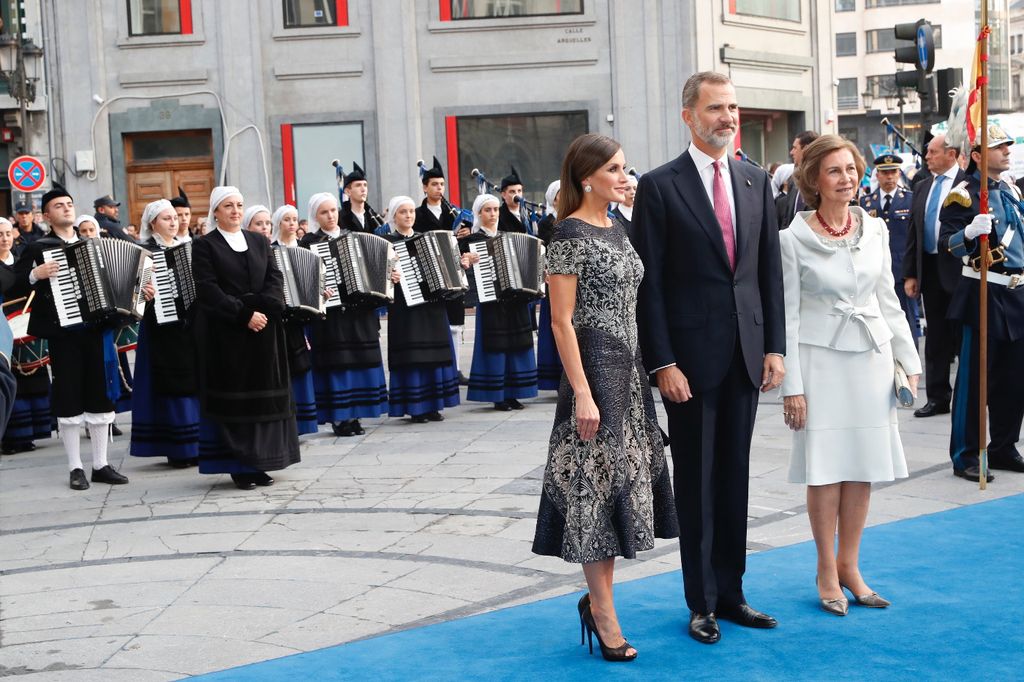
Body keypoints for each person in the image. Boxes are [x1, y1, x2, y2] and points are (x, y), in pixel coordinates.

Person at [633, 71, 785, 644]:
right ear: (688, 116)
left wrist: (774, 347)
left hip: (746, 356)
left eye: (733, 107)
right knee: (696, 484)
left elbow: (768, 273)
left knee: (735, 481)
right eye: (716, 108)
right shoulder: (660, 186)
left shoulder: (754, 181)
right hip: (689, 366)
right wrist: (662, 362)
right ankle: (701, 603)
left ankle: (733, 592)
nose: (728, 117)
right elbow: (651, 285)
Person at [532, 133, 678, 663]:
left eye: (625, 168)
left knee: (619, 491)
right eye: (613, 169)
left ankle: (600, 604)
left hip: (631, 375)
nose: (624, 176)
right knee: (595, 493)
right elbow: (561, 321)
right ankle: (604, 612)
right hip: (594, 377)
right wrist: (582, 395)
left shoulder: (619, 227)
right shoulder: (567, 235)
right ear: (586, 176)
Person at [779, 134, 921, 616]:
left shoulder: (875, 230)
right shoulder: (792, 239)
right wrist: (792, 387)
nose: (846, 179)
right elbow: (789, 318)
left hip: (871, 360)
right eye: (834, 171)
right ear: (813, 180)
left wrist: (909, 363)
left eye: (850, 169)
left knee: (862, 465)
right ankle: (824, 569)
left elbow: (889, 302)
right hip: (820, 364)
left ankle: (850, 566)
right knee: (825, 468)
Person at [15, 185, 131, 490]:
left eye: (69, 204)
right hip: (62, 333)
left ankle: (101, 464)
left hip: (95, 329)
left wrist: (135, 294)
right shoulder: (38, 247)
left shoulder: (93, 244)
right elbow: (15, 285)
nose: (66, 208)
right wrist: (35, 275)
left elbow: (117, 282)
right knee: (68, 396)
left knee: (99, 394)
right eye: (59, 206)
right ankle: (75, 467)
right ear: (46, 215)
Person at [191, 186, 300, 490]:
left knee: (264, 402)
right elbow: (208, 289)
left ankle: (262, 462)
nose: (235, 211)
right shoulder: (205, 245)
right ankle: (239, 465)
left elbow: (274, 278)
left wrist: (264, 308)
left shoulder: (258, 240)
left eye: (239, 205)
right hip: (228, 334)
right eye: (228, 206)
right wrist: (243, 315)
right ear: (216, 212)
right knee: (237, 403)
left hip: (265, 331)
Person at [940, 124, 1024, 482]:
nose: (1006, 151)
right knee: (976, 381)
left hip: (1017, 293)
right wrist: (969, 233)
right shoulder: (963, 194)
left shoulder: (1012, 190)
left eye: (1007, 146)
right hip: (984, 293)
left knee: (1013, 379)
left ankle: (1004, 446)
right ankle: (966, 455)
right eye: (998, 146)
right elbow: (947, 243)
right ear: (977, 155)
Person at [301, 192, 388, 437]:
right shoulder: (309, 242)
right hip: (332, 316)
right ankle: (340, 417)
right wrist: (320, 290)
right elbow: (305, 282)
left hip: (359, 313)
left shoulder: (353, 237)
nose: (330, 216)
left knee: (360, 362)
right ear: (315, 216)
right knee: (338, 365)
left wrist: (387, 278)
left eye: (332, 210)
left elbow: (374, 268)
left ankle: (357, 413)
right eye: (323, 212)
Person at [129, 199, 200, 468]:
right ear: (152, 224)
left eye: (175, 217)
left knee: (193, 381)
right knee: (170, 384)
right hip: (159, 327)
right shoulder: (143, 251)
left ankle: (197, 441)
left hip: (189, 326)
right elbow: (130, 295)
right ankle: (178, 448)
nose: (174, 222)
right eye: (166, 218)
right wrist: (142, 292)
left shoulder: (189, 248)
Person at [382, 196, 466, 422]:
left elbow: (447, 268)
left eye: (411, 211)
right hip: (404, 308)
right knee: (412, 357)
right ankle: (415, 407)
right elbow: (376, 277)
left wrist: (460, 265)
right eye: (402, 212)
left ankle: (433, 405)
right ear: (394, 216)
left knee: (433, 356)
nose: (408, 215)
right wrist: (389, 275)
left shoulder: (426, 239)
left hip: (432, 306)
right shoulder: (386, 242)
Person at [903, 134, 964, 418]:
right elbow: (914, 233)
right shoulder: (922, 186)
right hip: (929, 269)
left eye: (932, 152)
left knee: (964, 338)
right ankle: (938, 397)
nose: (927, 157)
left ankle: (968, 397)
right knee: (936, 339)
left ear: (951, 154)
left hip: (962, 272)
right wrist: (911, 274)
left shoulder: (969, 183)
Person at [462, 194, 539, 410]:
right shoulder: (471, 241)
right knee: (496, 346)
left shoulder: (509, 236)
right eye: (488, 210)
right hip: (491, 301)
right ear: (478, 213)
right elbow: (460, 267)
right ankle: (497, 394)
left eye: (495, 209)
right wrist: (467, 260)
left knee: (516, 345)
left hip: (514, 300)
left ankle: (514, 392)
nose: (493, 214)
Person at [413, 157, 473, 384]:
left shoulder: (454, 214)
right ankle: (437, 368)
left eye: (442, 185)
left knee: (456, 322)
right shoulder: (417, 214)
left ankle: (456, 369)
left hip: (453, 271)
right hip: (429, 273)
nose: (439, 189)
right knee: (433, 321)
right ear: (425, 187)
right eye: (435, 185)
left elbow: (465, 247)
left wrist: (463, 239)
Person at [0, 217, 51, 455]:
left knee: (33, 380)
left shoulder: (20, 256)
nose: (4, 239)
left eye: (8, 233)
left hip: (24, 323)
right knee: (10, 382)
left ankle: (32, 432)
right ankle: (12, 437)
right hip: (3, 329)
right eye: (0, 234)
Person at [860, 153, 920, 340]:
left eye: (893, 172)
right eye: (885, 172)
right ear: (877, 175)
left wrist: (914, 273)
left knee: (908, 321)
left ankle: (911, 365)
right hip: (876, 270)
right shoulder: (866, 202)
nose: (889, 177)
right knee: (879, 321)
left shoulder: (910, 200)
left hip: (903, 272)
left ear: (899, 173)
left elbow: (915, 238)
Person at [271, 204, 318, 436]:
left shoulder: (305, 248)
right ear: (278, 223)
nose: (291, 224)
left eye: (294, 219)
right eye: (286, 220)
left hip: (301, 317)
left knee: (301, 366)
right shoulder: (271, 250)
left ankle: (303, 421)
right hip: (281, 317)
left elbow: (314, 278)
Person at [536, 180, 564, 391]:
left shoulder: (574, 218)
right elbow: (548, 247)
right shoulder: (546, 222)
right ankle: (556, 379)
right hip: (554, 278)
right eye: (559, 194)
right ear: (553, 199)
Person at [778, 131, 820, 228]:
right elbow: (787, 216)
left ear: (806, 149)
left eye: (795, 148)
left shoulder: (821, 180)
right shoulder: (793, 180)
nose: (791, 152)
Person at [340, 162, 383, 233]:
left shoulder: (374, 217)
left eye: (365, 185)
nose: (363, 189)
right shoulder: (340, 218)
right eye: (358, 185)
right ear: (347, 192)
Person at [498, 166, 529, 234]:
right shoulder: (498, 216)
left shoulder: (530, 214)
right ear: (503, 195)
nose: (517, 194)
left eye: (519, 191)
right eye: (512, 192)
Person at [610, 173, 637, 238]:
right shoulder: (613, 216)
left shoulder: (643, 213)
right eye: (627, 189)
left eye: (635, 188)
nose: (632, 192)